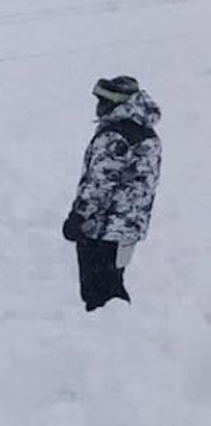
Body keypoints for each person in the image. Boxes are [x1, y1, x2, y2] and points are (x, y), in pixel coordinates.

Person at [62, 76, 162, 312]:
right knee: (112, 285)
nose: (98, 107)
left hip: (101, 229)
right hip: (128, 228)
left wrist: (79, 216)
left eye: (103, 101)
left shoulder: (115, 135)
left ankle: (110, 340)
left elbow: (99, 183)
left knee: (98, 294)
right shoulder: (146, 132)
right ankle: (121, 332)